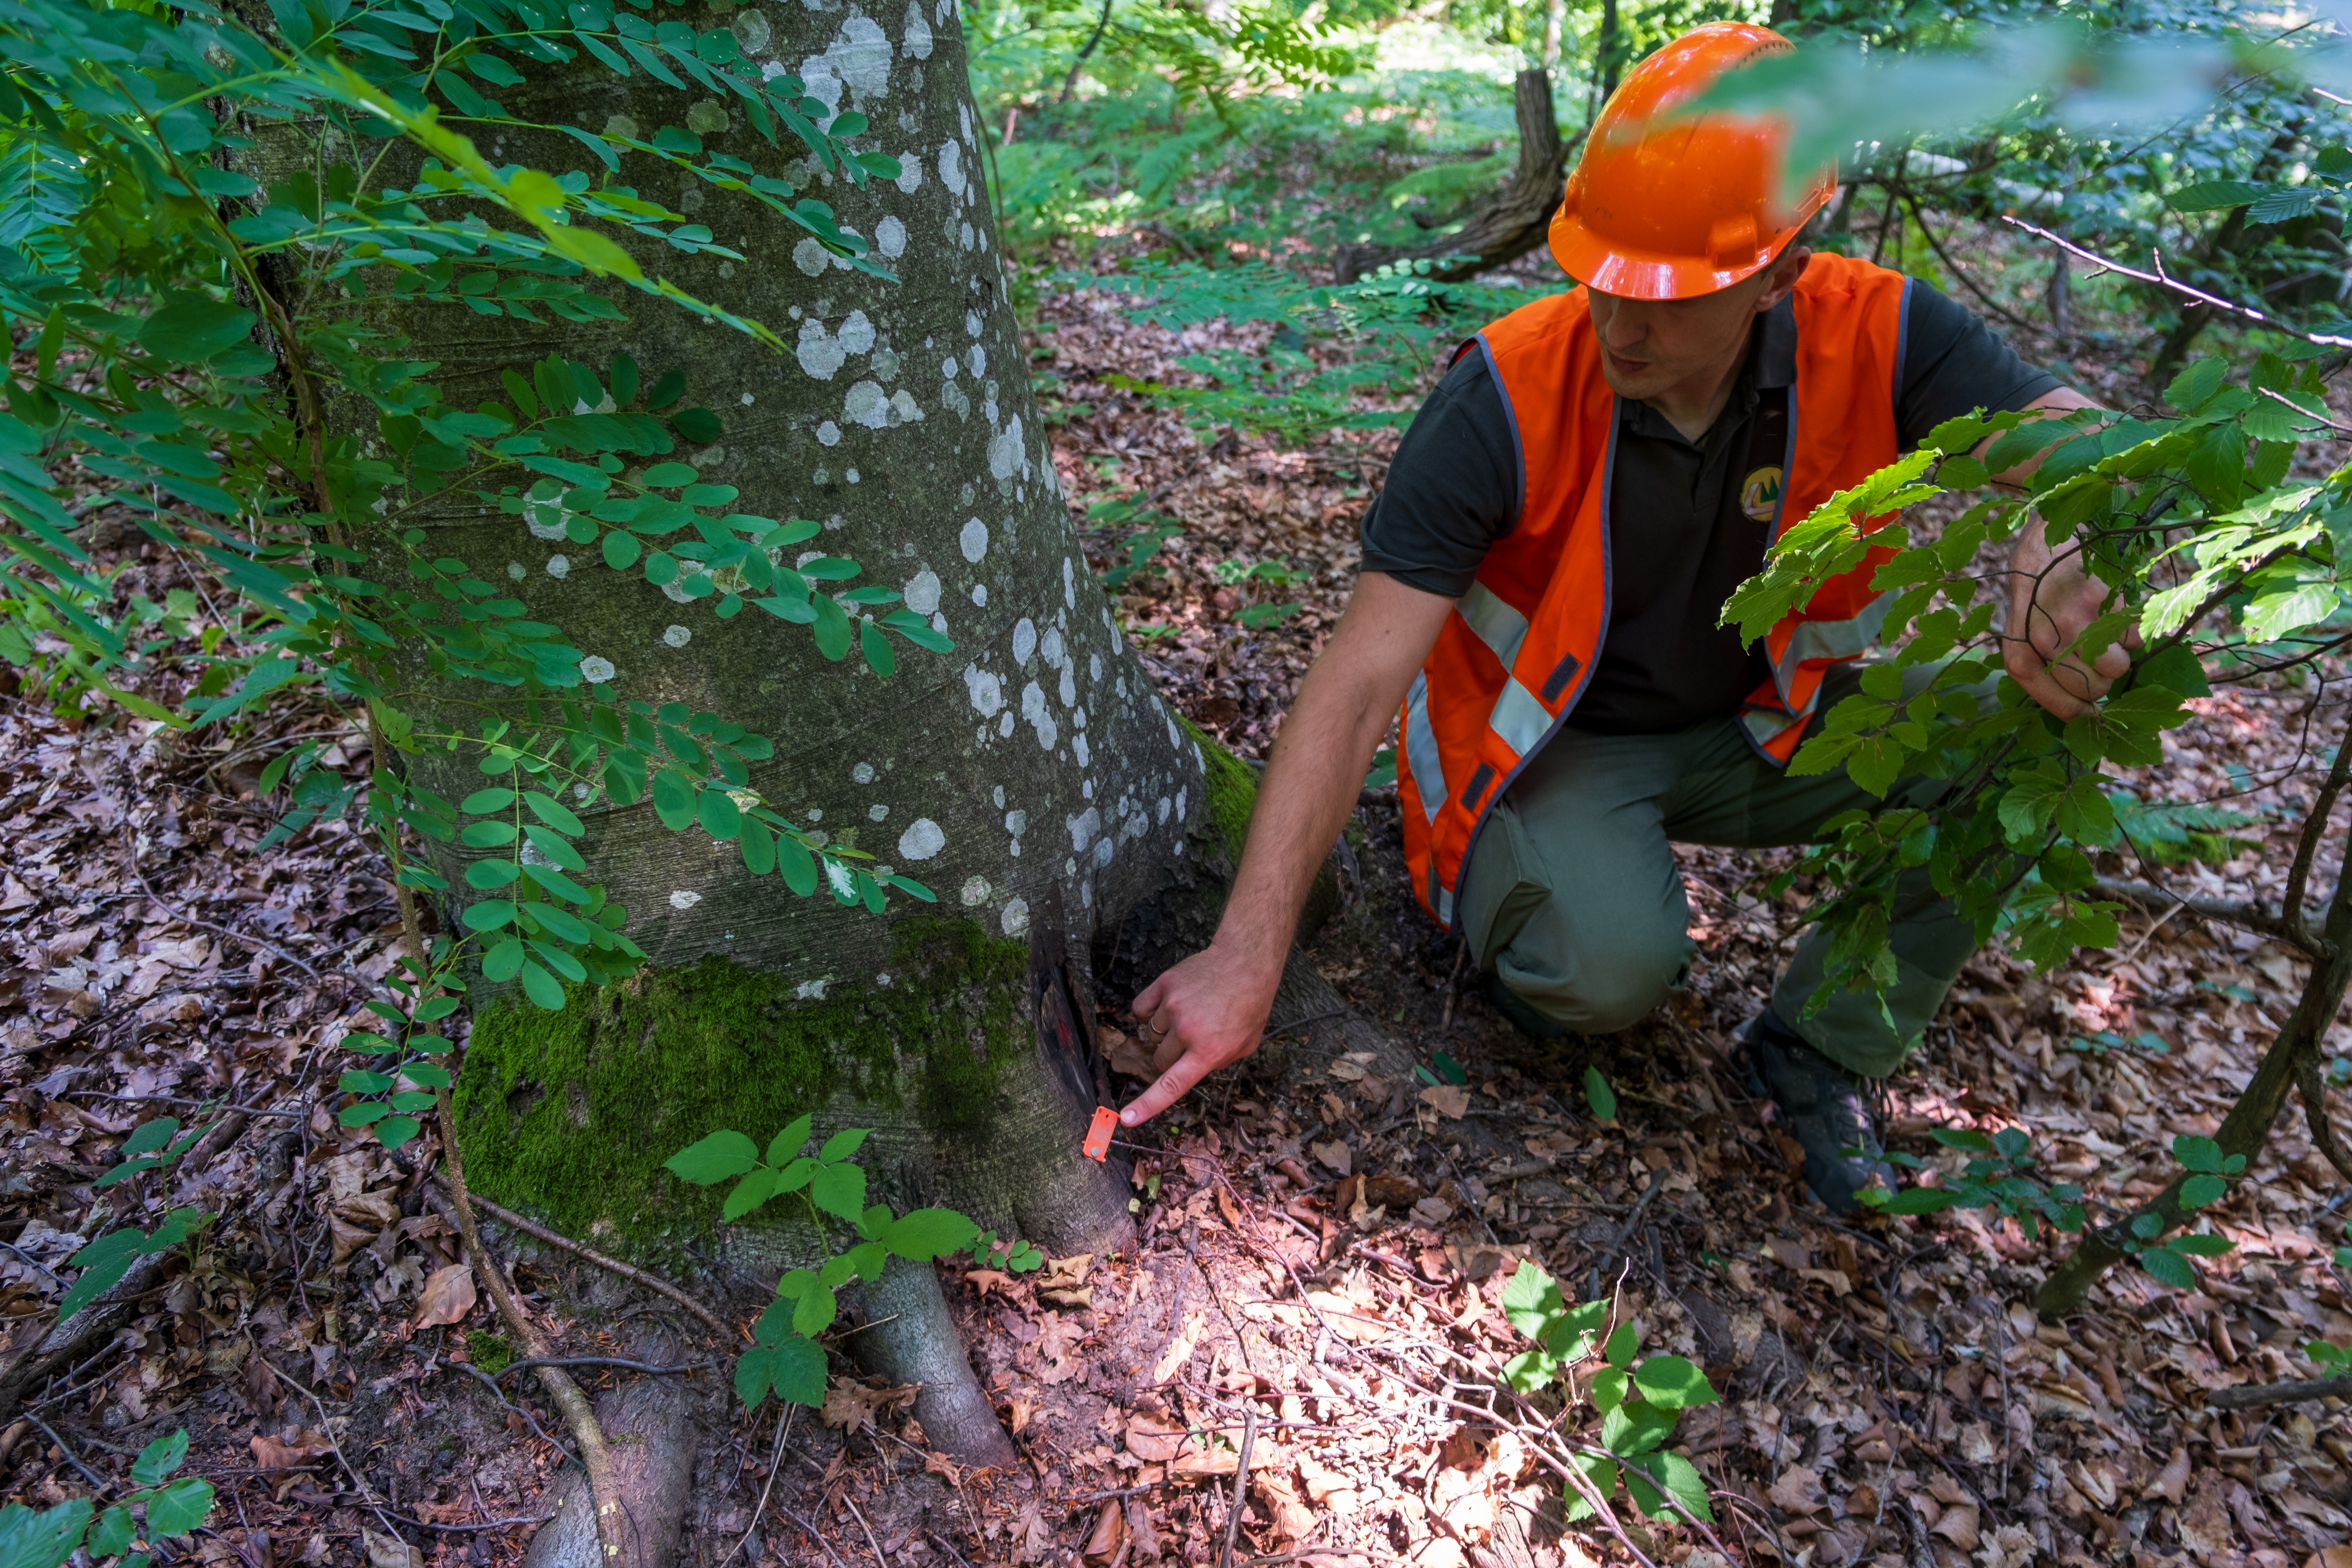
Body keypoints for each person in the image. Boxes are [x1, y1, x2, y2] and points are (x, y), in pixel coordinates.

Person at [1117, 21, 2116, 1211]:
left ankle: (1822, 1050)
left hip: (1768, 720)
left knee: (2020, 735)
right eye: (1602, 277)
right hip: (1550, 750)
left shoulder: (1880, 333)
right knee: (1607, 975)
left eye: (1668, 297)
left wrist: (2066, 523)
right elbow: (1357, 684)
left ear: (1780, 273)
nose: (1621, 322)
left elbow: (2094, 448)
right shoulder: (1502, 393)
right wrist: (1248, 954)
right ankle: (1532, 905)